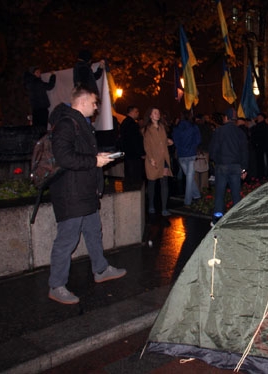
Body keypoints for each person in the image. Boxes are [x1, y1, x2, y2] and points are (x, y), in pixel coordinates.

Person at [47, 86, 126, 305]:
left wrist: (97, 156)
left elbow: (79, 154)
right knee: (67, 240)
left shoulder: (81, 124)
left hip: (84, 192)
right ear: (82, 102)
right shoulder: (66, 123)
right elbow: (64, 157)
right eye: (94, 102)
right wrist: (94, 161)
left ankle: (100, 269)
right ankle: (56, 286)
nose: (96, 106)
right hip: (71, 194)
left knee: (93, 231)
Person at [208, 108, 249, 226]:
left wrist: (217, 160)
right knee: (236, 193)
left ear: (225, 118)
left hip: (222, 166)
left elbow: (213, 150)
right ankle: (236, 219)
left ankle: (217, 219)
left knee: (220, 193)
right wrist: (244, 168)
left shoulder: (219, 131)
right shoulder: (240, 132)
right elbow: (244, 152)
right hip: (236, 166)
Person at [142, 107, 173, 216]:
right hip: (153, 159)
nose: (157, 114)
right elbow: (147, 145)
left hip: (163, 159)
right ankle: (151, 205)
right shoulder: (147, 129)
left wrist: (168, 141)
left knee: (164, 182)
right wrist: (150, 158)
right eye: (155, 112)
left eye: (158, 112)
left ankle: (164, 208)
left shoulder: (162, 127)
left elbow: (163, 141)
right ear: (150, 115)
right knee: (152, 182)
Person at [173, 111, 202, 207]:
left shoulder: (177, 128)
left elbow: (175, 141)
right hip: (191, 154)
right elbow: (198, 140)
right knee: (189, 178)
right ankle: (187, 201)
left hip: (181, 155)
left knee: (189, 178)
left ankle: (197, 195)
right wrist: (192, 146)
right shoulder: (193, 127)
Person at [23, 66, 56, 133]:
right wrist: (53, 76)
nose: (39, 74)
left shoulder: (29, 83)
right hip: (42, 108)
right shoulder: (37, 82)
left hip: (35, 108)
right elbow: (50, 86)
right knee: (42, 128)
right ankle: (41, 141)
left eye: (40, 72)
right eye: (37, 72)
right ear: (33, 74)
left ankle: (35, 141)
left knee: (36, 127)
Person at [119, 106, 145, 185]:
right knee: (134, 174)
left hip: (128, 153)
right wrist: (141, 153)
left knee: (129, 174)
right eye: (136, 111)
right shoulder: (132, 124)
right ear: (131, 112)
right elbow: (136, 140)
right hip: (134, 154)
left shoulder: (124, 122)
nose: (138, 113)